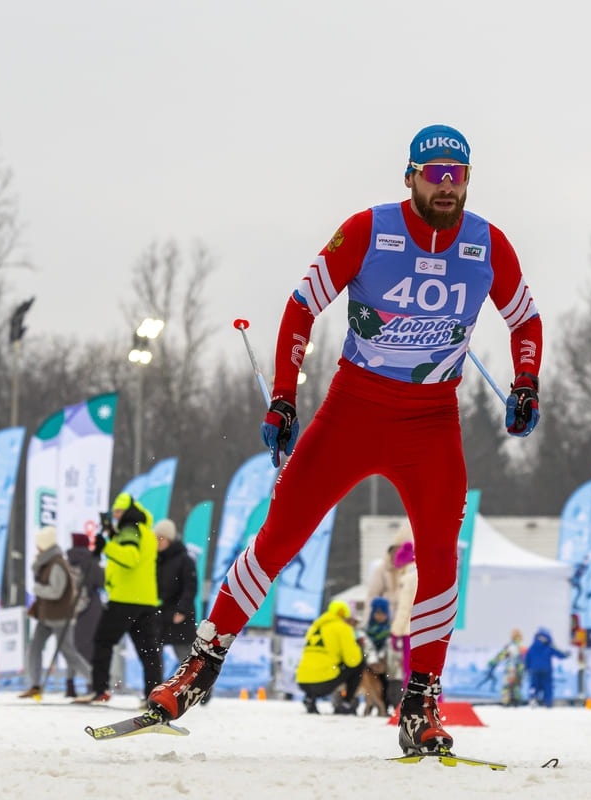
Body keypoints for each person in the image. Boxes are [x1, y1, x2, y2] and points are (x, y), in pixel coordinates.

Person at [146, 123, 543, 757]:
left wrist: (526, 384)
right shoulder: (367, 230)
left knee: (440, 559)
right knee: (278, 539)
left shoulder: (487, 243)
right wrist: (283, 396)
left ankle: (420, 703)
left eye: (458, 175)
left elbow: (525, 319)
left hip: (431, 422)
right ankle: (199, 667)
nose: (446, 186)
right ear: (410, 177)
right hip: (354, 412)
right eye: (434, 174)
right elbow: (302, 305)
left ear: (469, 180)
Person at [75, 492, 163, 704]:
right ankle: (154, 695)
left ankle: (100, 690)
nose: (115, 516)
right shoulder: (146, 531)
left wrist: (106, 546)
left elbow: (130, 557)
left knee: (103, 641)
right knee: (148, 651)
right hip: (146, 599)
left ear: (127, 512)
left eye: (118, 512)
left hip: (125, 599)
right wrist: (113, 537)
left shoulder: (130, 528)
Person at [19, 526, 93, 699]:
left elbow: (56, 591)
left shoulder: (56, 564)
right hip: (47, 616)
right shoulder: (47, 563)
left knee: (70, 654)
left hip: (60, 617)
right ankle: (35, 685)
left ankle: (96, 682)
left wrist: (38, 589)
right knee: (35, 649)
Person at [295, 599, 366, 715]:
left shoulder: (314, 627)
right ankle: (346, 702)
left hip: (302, 681)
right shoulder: (343, 628)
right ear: (343, 614)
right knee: (360, 663)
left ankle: (309, 697)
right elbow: (353, 660)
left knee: (319, 664)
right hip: (322, 683)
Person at [65, 531, 104, 697]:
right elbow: (101, 582)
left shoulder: (66, 563)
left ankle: (70, 684)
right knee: (90, 648)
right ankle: (91, 684)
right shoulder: (91, 562)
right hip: (91, 610)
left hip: (71, 609)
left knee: (72, 648)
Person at [155, 518, 198, 664]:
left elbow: (190, 587)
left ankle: (195, 680)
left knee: (187, 660)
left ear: (170, 539)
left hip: (179, 616)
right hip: (160, 615)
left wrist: (182, 610)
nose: (158, 542)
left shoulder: (185, 560)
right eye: (156, 538)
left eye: (161, 538)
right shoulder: (155, 559)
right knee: (154, 659)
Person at [389, 539, 418, 689]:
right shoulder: (420, 573)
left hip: (409, 631)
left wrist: (395, 632)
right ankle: (436, 699)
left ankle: (412, 700)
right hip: (423, 628)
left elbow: (404, 608)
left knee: (410, 670)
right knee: (425, 671)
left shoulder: (408, 579)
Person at [523, 627, 569, 708]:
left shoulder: (532, 647)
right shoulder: (549, 646)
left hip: (534, 669)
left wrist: (527, 668)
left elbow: (527, 658)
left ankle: (533, 698)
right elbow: (559, 654)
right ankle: (548, 702)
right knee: (547, 686)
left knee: (534, 685)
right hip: (546, 670)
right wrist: (566, 654)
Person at [486, 629, 528, 706]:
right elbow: (527, 659)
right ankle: (517, 701)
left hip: (511, 669)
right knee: (517, 686)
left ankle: (506, 701)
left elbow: (501, 655)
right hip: (520, 670)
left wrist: (493, 661)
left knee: (507, 686)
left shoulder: (510, 646)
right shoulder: (524, 647)